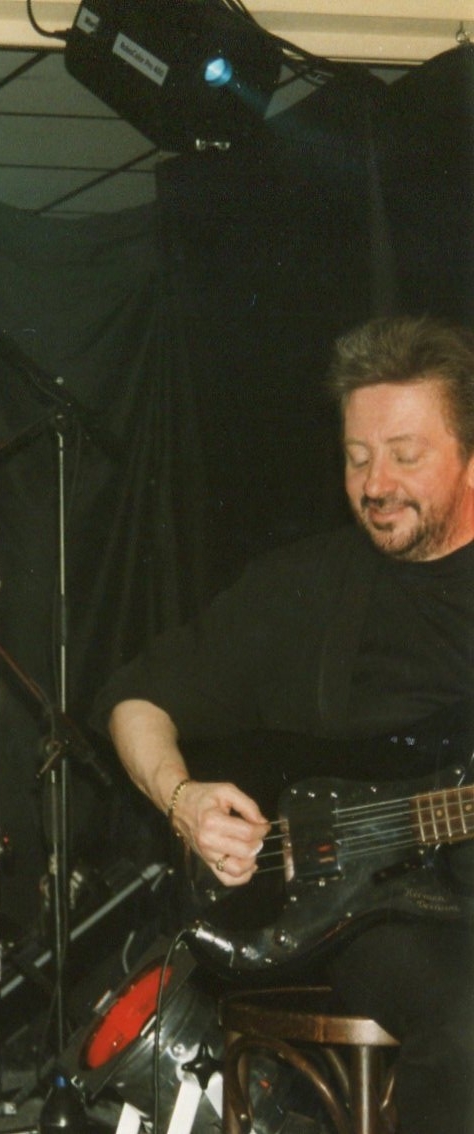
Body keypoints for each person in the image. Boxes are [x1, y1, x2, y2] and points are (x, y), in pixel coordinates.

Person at [93, 313, 474, 1131]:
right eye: (358, 457)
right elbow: (136, 701)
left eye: (405, 456)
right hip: (378, 914)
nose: (376, 484)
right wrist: (184, 801)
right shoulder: (306, 587)